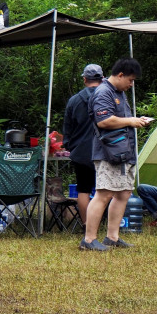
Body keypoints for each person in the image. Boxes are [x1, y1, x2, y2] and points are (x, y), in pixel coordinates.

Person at [80, 58, 154, 251]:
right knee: (103, 194)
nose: (131, 84)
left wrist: (137, 120)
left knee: (123, 194)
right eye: (130, 80)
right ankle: (88, 240)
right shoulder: (104, 92)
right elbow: (104, 121)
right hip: (108, 152)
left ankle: (112, 237)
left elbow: (121, 119)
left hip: (124, 152)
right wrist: (131, 121)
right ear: (120, 75)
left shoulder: (119, 92)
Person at [62, 63, 103, 226]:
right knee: (104, 191)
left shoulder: (74, 100)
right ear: (101, 78)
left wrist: (70, 147)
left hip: (81, 153)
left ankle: (87, 224)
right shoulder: (108, 96)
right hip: (105, 151)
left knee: (83, 189)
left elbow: (68, 128)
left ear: (85, 79)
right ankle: (102, 222)